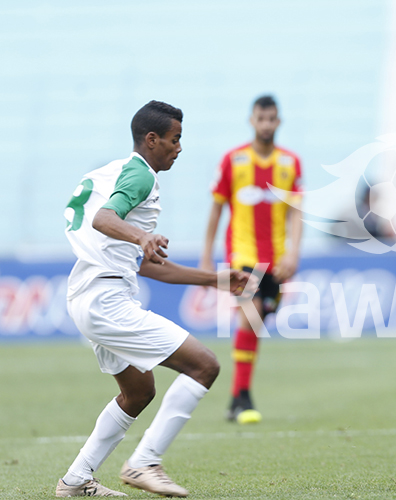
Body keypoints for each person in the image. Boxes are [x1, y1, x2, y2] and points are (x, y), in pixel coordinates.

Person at [58, 101, 251, 497]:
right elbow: (104, 219)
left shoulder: (113, 172)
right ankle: (145, 461)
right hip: (106, 299)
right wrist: (141, 236)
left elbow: (146, 266)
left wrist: (214, 279)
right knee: (204, 366)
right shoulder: (140, 176)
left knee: (139, 392)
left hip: (89, 292)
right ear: (152, 139)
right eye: (174, 139)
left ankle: (76, 480)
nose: (179, 148)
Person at [200, 95, 302, 424]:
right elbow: (216, 209)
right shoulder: (234, 160)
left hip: (277, 261)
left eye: (272, 119)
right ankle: (243, 397)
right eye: (261, 119)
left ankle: (235, 398)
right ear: (252, 120)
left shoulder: (290, 163)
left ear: (279, 121)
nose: (266, 125)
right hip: (242, 256)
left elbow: (296, 213)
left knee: (258, 322)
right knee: (252, 315)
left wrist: (293, 251)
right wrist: (206, 256)